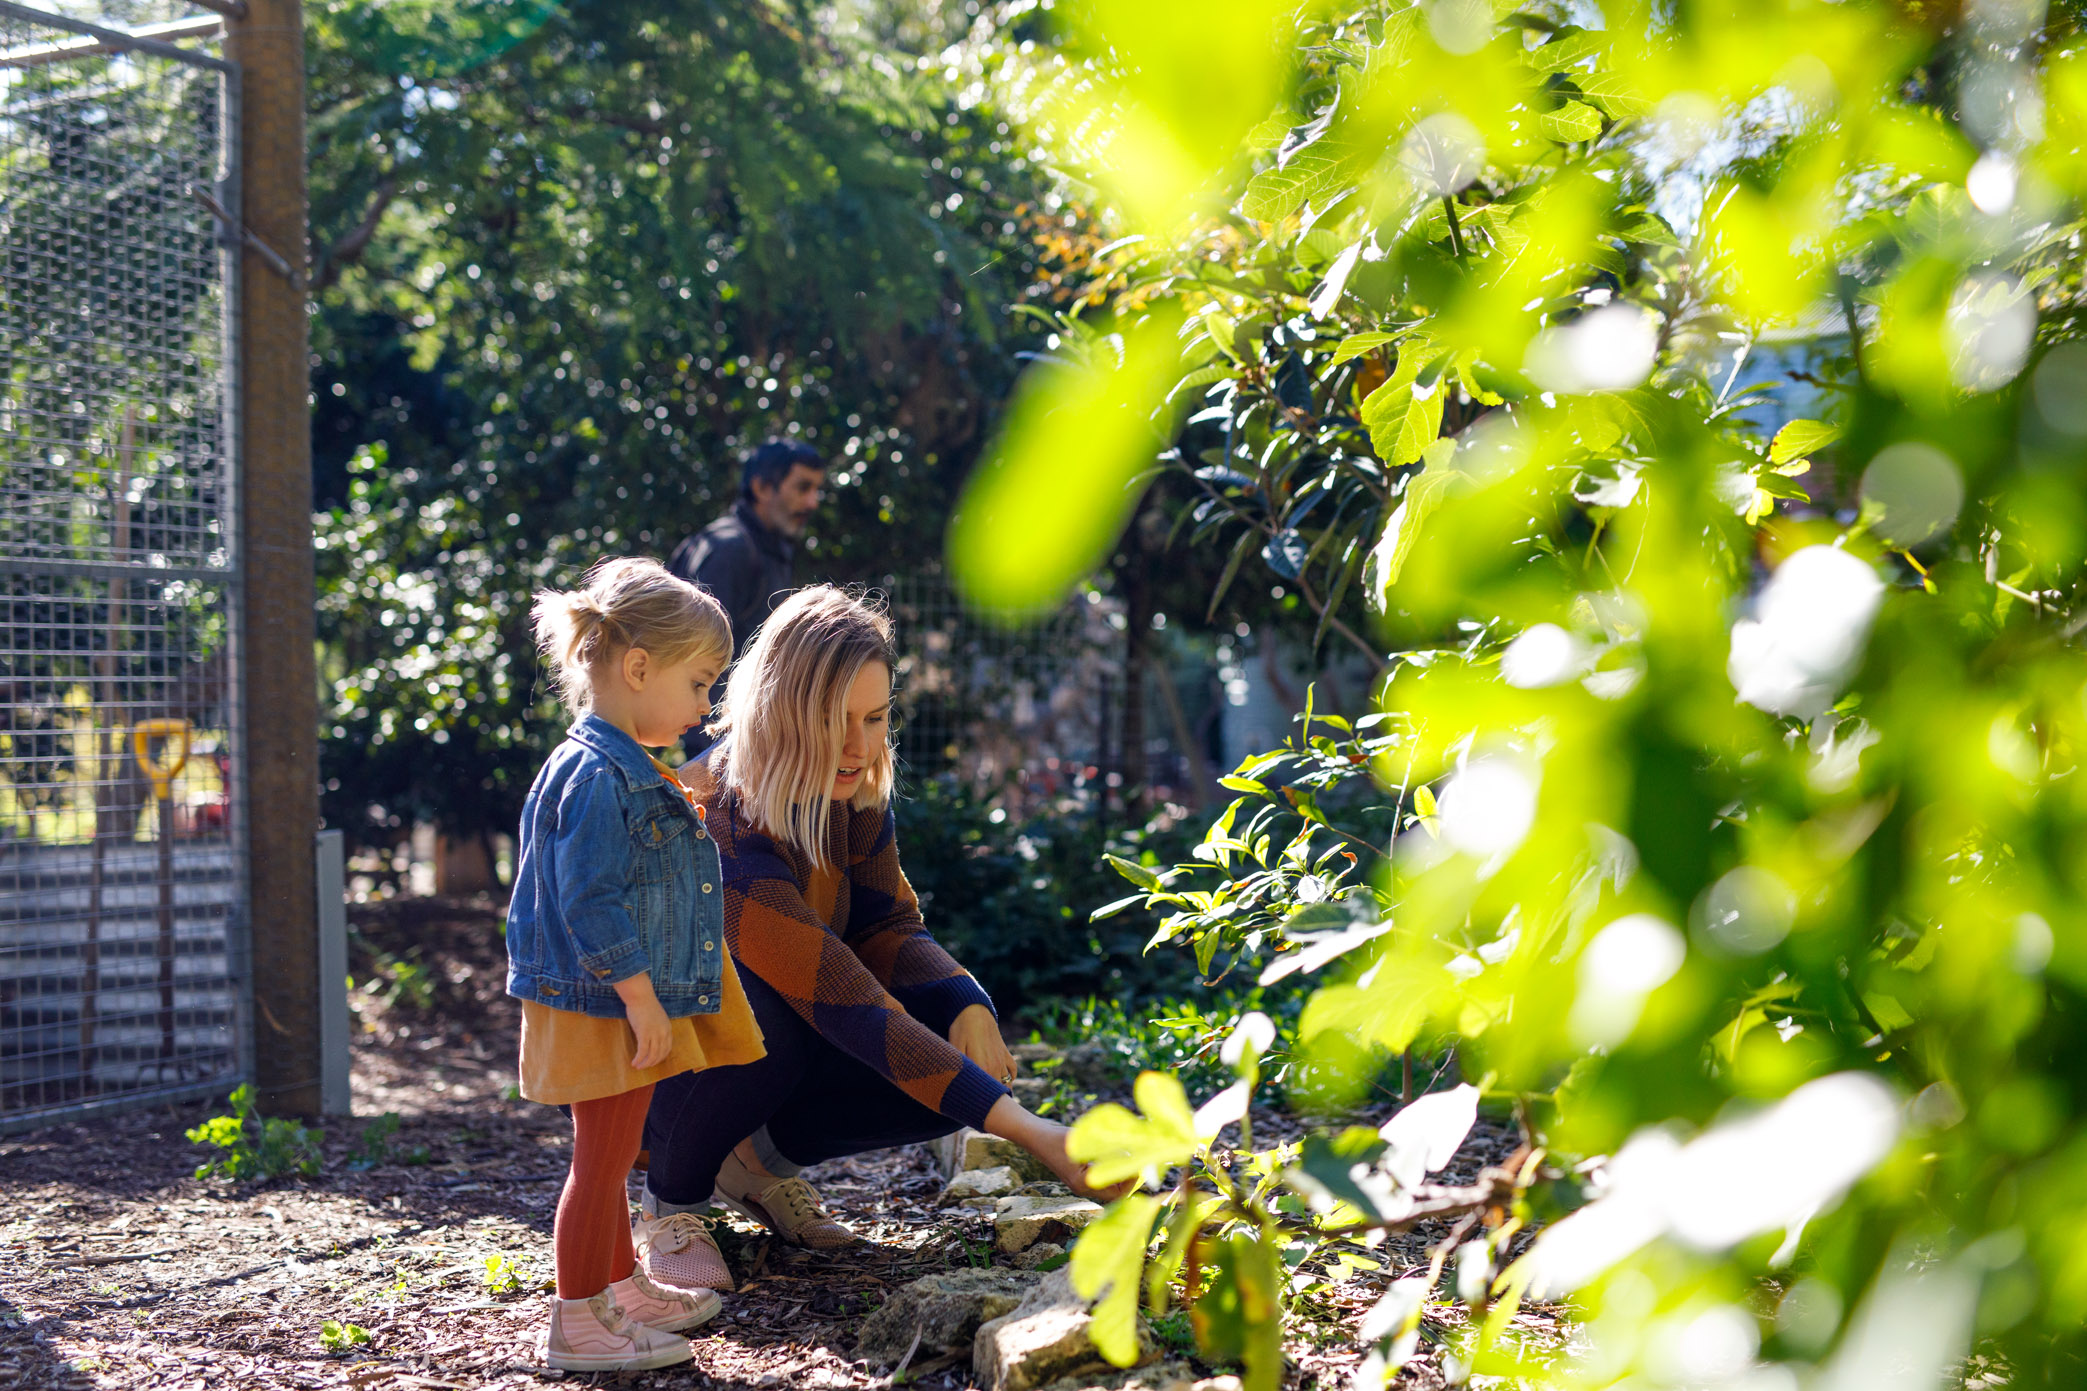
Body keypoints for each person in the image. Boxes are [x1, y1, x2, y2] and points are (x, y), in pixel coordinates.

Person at [631, 586, 1115, 1295]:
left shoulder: (851, 788)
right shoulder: (720, 821)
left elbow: (886, 926)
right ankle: (670, 1202)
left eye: (876, 717)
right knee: (771, 1021)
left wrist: (964, 1001)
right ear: (782, 713)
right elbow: (842, 992)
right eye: (836, 720)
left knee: (941, 1054)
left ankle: (754, 1167)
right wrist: (1033, 1132)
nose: (859, 745)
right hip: (645, 1060)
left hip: (770, 1028)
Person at [508, 557, 768, 1372]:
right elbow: (589, 896)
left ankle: (617, 1287)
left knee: (615, 1155)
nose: (703, 705)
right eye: (698, 683)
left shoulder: (618, 763)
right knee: (602, 1162)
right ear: (637, 667)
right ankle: (575, 1323)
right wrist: (640, 998)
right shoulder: (595, 774)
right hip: (602, 999)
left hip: (609, 995)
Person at [667, 439, 826, 661]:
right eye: (803, 488)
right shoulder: (730, 550)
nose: (813, 502)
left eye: (816, 489)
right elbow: (692, 659)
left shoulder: (770, 548)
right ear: (761, 488)